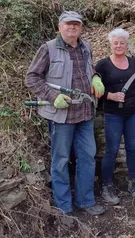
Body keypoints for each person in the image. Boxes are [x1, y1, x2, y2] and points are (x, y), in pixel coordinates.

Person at [26, 11, 106, 216]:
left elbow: (88, 70)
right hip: (61, 116)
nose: (72, 27)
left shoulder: (86, 48)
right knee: (60, 160)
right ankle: (63, 208)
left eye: (76, 25)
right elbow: (32, 77)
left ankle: (85, 201)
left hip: (86, 114)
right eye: (68, 24)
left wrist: (96, 78)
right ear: (59, 27)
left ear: (81, 28)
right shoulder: (49, 49)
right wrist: (53, 97)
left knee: (88, 157)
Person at [95, 28, 135, 204]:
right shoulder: (102, 65)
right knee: (112, 150)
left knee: (132, 147)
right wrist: (111, 95)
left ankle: (133, 181)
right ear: (111, 44)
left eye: (122, 42)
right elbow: (95, 89)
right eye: (115, 42)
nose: (119, 45)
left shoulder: (133, 63)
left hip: (132, 113)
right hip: (113, 114)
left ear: (126, 44)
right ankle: (106, 185)